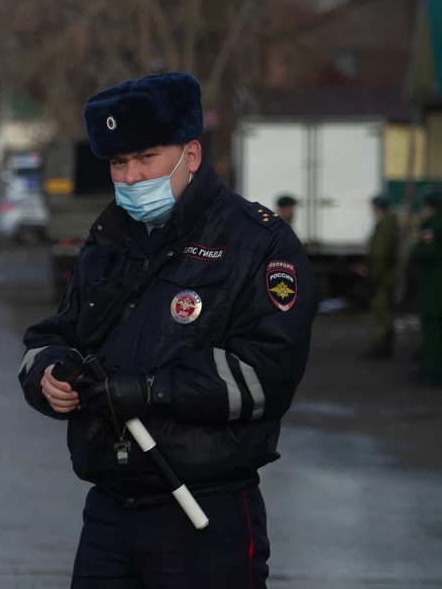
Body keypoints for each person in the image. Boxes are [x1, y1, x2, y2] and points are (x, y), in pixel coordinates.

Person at [17, 72, 320, 588]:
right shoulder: (106, 241)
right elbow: (53, 335)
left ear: (191, 156)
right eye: (118, 163)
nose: (132, 177)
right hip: (110, 513)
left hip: (205, 511)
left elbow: (267, 372)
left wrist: (151, 391)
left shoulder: (257, 243)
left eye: (147, 158)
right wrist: (49, 374)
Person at [409, 190, 442, 386]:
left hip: (434, 291)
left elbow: (427, 253)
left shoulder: (432, 227)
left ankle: (432, 374)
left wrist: (416, 251)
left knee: (432, 336)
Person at [364, 195, 399, 359]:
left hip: (382, 278)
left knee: (381, 313)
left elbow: (380, 254)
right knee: (385, 312)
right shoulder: (390, 224)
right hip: (387, 276)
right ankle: (383, 346)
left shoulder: (384, 226)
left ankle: (381, 347)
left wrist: (373, 276)